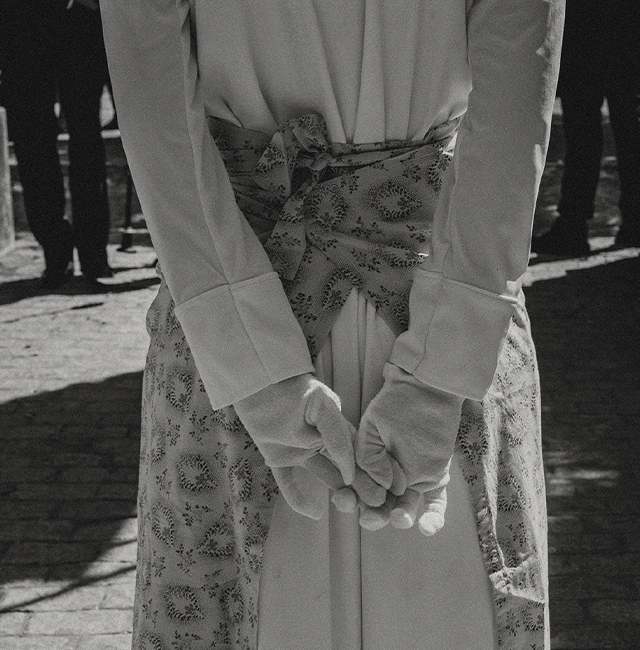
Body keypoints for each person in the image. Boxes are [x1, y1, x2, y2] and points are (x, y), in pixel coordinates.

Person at [101, 1, 564, 649]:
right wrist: (438, 377)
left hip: (229, 313)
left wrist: (253, 369)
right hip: (439, 307)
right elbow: (513, 124)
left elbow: (156, 116)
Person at [0, 0, 112, 289]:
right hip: (22, 21)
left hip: (78, 17)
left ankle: (91, 250)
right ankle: (57, 248)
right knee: (33, 139)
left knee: (84, 135)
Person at [531, 0, 640, 257]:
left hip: (588, 16)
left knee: (583, 116)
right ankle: (636, 220)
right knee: (627, 114)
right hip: (632, 14)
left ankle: (573, 225)